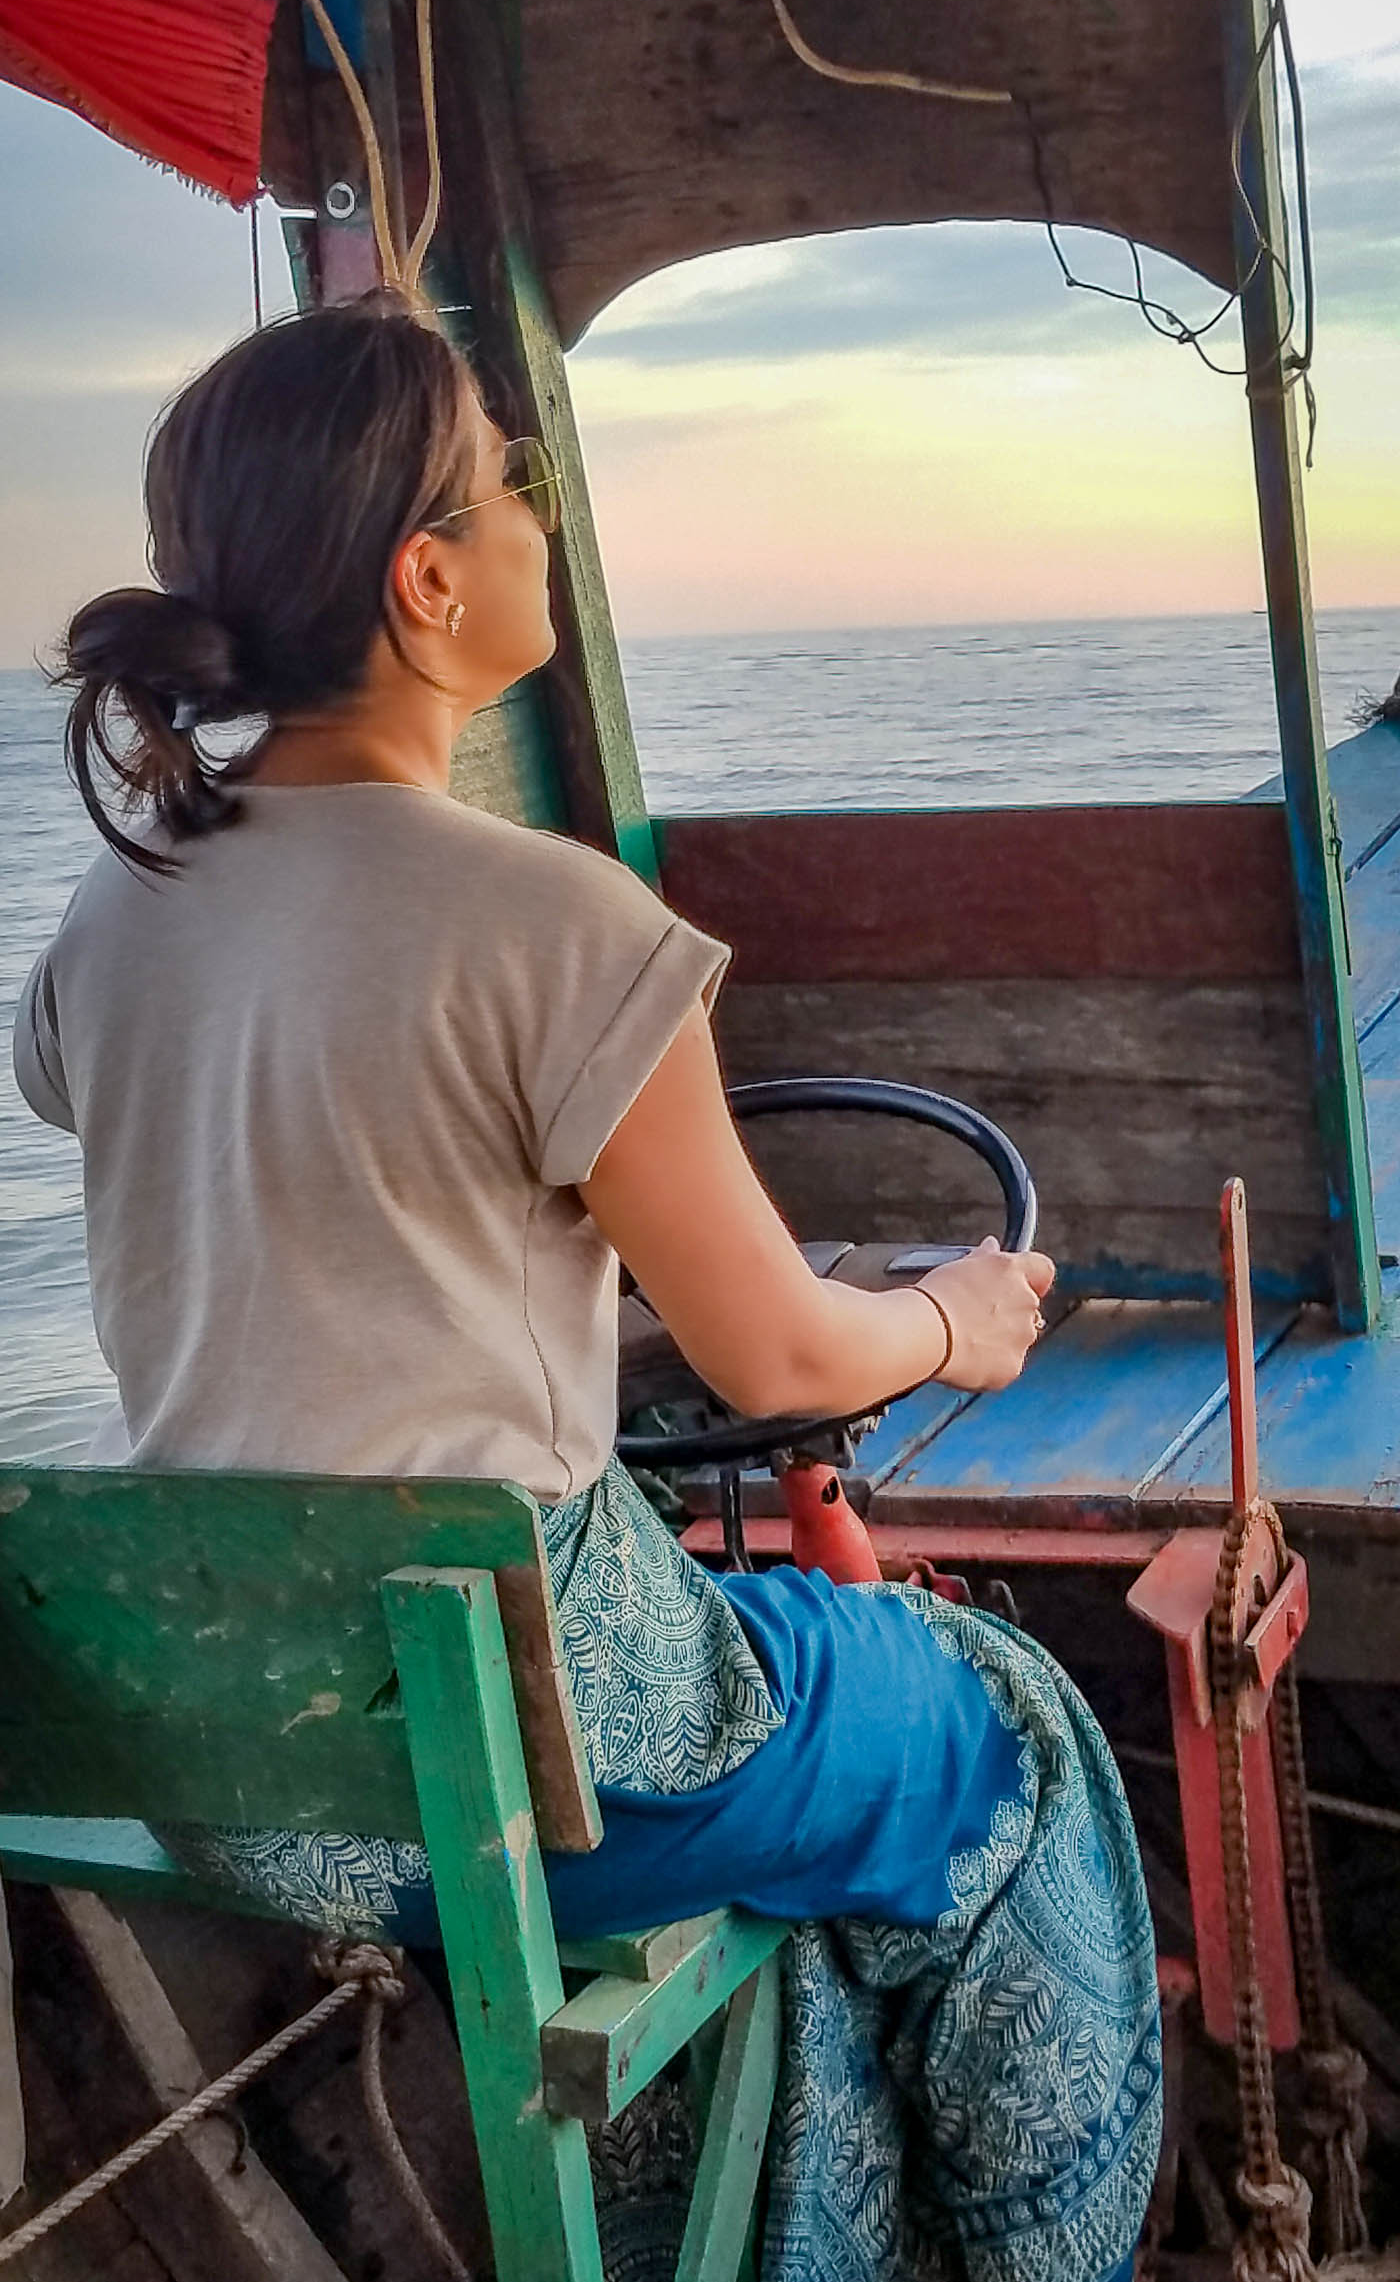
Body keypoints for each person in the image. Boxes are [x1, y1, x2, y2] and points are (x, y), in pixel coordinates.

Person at [13, 293, 1160, 2282]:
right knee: (1007, 1720)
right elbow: (779, 1348)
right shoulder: (552, 922)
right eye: (510, 487)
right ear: (427, 577)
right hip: (541, 1739)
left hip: (261, 1765)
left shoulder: (109, 927)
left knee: (793, 1905)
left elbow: (335, 1236)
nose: (543, 521)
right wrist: (957, 1321)